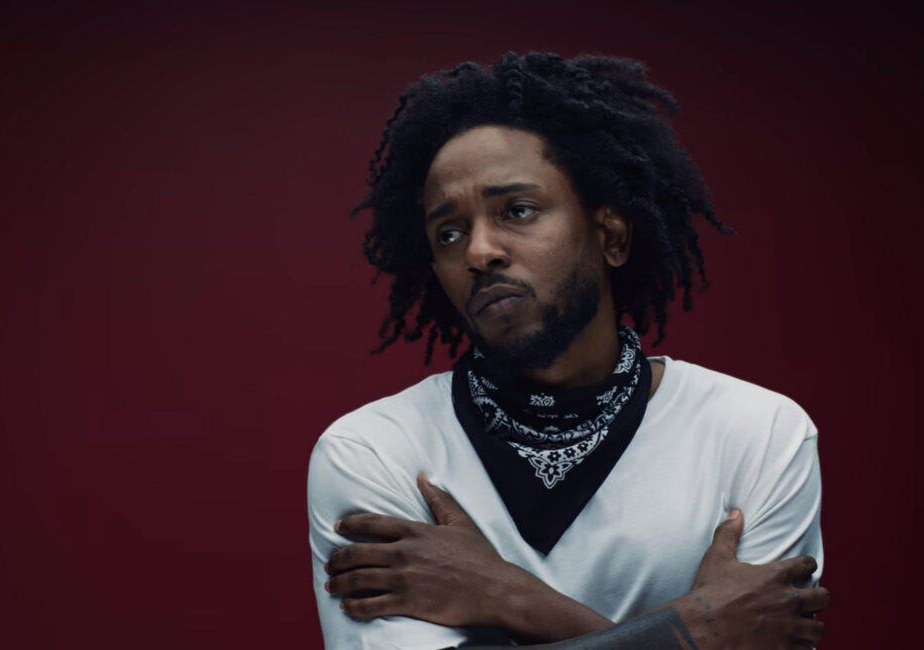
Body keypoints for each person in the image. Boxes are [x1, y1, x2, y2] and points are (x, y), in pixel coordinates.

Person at [308, 52, 827, 648]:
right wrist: (693, 632)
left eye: (518, 211)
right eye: (449, 232)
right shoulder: (374, 450)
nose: (478, 252)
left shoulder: (755, 431)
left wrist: (508, 595)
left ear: (610, 236)